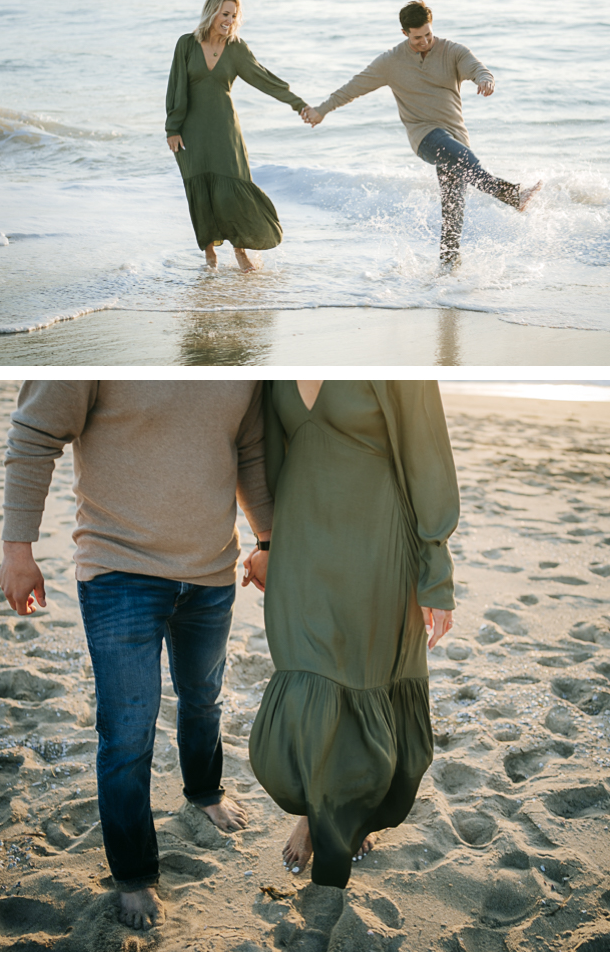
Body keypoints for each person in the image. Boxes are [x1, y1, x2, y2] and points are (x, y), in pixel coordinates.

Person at [0, 381, 273, 931]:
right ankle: (133, 873)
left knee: (203, 697)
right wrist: (16, 549)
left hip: (212, 573)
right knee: (126, 731)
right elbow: (33, 435)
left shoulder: (243, 358)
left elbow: (248, 449)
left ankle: (204, 790)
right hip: (118, 570)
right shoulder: (97, 353)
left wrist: (266, 541)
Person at [244, 380, 459, 889]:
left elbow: (427, 455)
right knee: (306, 684)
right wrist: (265, 542)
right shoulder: (281, 349)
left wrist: (436, 570)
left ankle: (337, 822)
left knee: (360, 690)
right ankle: (323, 808)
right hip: (302, 549)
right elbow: (267, 453)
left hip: (376, 547)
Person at [302, 0, 542, 267]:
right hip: (425, 136)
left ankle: (447, 274)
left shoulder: (452, 51)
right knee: (464, 161)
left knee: (453, 212)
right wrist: (322, 110)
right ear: (405, 33)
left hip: (457, 137)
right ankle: (511, 195)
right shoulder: (390, 62)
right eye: (418, 37)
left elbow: (477, 68)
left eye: (428, 34)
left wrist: (486, 80)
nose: (425, 41)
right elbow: (353, 87)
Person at [166, 0, 308, 272]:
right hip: (191, 133)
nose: (229, 21)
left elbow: (265, 80)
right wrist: (173, 127)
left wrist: (299, 104)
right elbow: (176, 86)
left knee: (230, 191)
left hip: (225, 131)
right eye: (225, 14)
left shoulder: (236, 48)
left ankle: (240, 250)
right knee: (200, 189)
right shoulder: (186, 44)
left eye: (233, 16)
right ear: (212, 13)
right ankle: (209, 254)